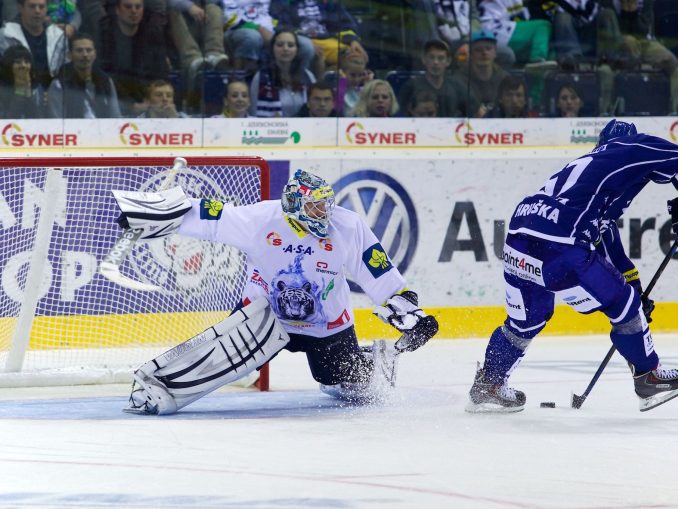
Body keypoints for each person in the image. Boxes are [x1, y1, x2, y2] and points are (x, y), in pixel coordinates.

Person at [116, 168, 439, 414]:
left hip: (326, 324)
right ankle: (159, 389)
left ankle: (371, 359)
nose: (324, 212)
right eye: (315, 206)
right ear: (295, 205)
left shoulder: (347, 225)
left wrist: (410, 312)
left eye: (326, 204)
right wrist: (150, 213)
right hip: (264, 316)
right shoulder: (261, 219)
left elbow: (376, 268)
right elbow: (211, 214)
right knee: (219, 362)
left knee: (348, 387)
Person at [466, 119, 678, 413]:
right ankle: (648, 377)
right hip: (560, 242)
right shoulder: (627, 147)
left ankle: (488, 383)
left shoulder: (587, 182)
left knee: (527, 321)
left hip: (519, 239)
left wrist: (635, 290)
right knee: (623, 305)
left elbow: (608, 245)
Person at [98, 0, 171, 116]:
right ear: (117, 10)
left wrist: (152, 99)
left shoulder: (152, 32)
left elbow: (161, 71)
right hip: (116, 99)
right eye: (128, 7)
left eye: (138, 7)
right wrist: (130, 106)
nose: (134, 11)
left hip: (147, 98)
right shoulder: (105, 33)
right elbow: (104, 75)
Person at [397, 39, 478, 118]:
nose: (436, 62)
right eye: (431, 57)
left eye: (441, 58)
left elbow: (476, 112)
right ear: (424, 59)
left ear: (448, 61)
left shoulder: (457, 86)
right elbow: (399, 117)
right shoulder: (411, 86)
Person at [48, 33, 121, 118]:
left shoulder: (105, 81)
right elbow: (56, 121)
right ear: (69, 55)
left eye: (89, 50)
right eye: (79, 50)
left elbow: (115, 116)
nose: (85, 55)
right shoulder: (59, 84)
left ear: (95, 54)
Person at [249, 28, 316, 117]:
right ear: (272, 48)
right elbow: (253, 113)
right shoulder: (260, 77)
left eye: (290, 45)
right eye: (280, 45)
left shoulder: (308, 76)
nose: (285, 49)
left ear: (297, 50)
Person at [0, 0, 67, 88]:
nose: (37, 11)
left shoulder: (58, 36)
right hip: (13, 92)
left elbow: (65, 70)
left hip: (52, 93)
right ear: (20, 8)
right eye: (32, 6)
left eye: (41, 7)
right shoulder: (5, 35)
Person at [168, 0, 229, 82]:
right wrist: (189, 6)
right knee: (173, 11)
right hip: (177, 24)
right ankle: (193, 59)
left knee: (213, 9)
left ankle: (214, 54)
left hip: (199, 19)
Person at [454, 30, 510, 116]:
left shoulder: (505, 79)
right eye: (478, 50)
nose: (484, 53)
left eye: (488, 48)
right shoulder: (458, 80)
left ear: (495, 53)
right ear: (471, 54)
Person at [0, 44, 46, 118]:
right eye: (18, 62)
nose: (23, 65)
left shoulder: (37, 88)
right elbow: (8, 121)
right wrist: (20, 91)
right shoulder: (2, 89)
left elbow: (38, 119)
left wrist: (28, 93)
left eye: (27, 62)